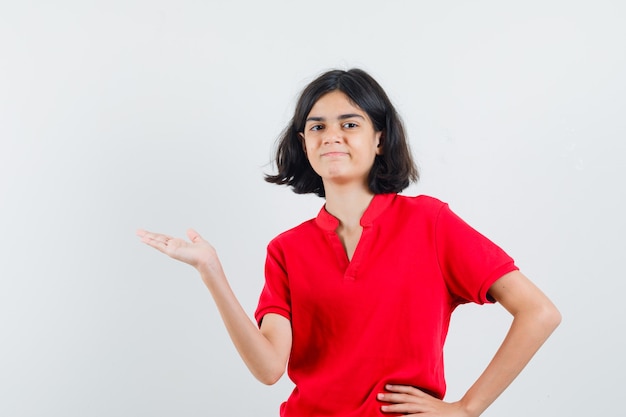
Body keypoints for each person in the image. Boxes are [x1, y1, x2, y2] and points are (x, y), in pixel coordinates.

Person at [137, 68, 561, 416]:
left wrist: (468, 408)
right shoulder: (287, 250)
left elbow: (538, 312)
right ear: (304, 144)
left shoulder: (429, 223)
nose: (331, 135)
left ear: (379, 138)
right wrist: (211, 271)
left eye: (350, 123)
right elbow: (269, 369)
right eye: (317, 126)